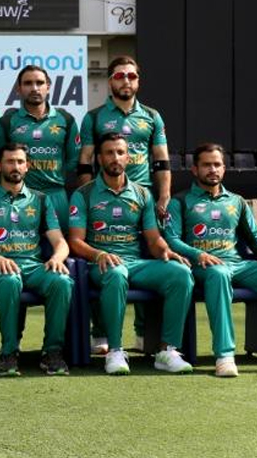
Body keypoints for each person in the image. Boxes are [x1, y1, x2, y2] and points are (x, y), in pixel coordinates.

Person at [68, 133, 194, 375]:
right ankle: (115, 351)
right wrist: (98, 254)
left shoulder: (142, 193)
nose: (115, 158)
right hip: (101, 265)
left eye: (120, 152)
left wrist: (166, 251)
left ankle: (167, 351)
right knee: (116, 273)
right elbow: (75, 241)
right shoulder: (83, 194)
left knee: (181, 273)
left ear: (128, 157)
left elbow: (153, 239)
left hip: (136, 263)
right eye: (109, 153)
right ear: (99, 158)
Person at [163, 143, 257, 376]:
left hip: (238, 265)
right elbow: (171, 239)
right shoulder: (180, 201)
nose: (213, 169)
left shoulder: (236, 201)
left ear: (224, 168)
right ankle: (225, 356)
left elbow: (255, 236)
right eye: (206, 165)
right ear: (195, 169)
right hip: (202, 267)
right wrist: (197, 254)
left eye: (217, 164)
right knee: (218, 274)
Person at [77, 56, 172, 353]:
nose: (126, 81)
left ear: (138, 81)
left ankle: (144, 334)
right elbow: (85, 161)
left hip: (142, 198)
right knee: (104, 261)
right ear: (110, 82)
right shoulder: (94, 117)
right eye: (120, 76)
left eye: (131, 76)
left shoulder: (152, 116)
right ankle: (101, 333)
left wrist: (164, 196)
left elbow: (161, 160)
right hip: (103, 194)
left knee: (144, 259)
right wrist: (89, 196)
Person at [0, 143, 73, 376]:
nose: (15, 166)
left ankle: (52, 352)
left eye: (20, 162)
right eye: (10, 161)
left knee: (62, 281)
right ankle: (9, 352)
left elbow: (61, 242)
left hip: (33, 267)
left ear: (27, 166)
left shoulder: (40, 199)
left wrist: (57, 258)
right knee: (10, 280)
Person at [0, 65, 79, 232]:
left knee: (59, 246)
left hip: (57, 197)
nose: (34, 88)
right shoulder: (7, 122)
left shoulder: (66, 119)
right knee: (22, 245)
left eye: (40, 83)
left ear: (48, 86)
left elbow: (73, 161)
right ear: (18, 89)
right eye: (28, 83)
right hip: (21, 199)